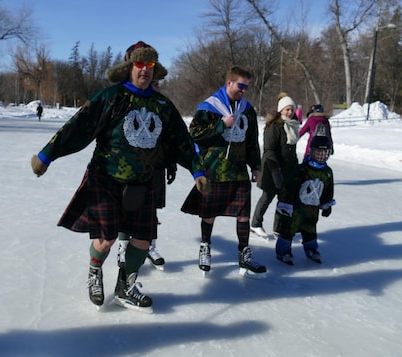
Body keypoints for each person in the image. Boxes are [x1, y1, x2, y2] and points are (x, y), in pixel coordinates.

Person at [30, 41, 208, 313]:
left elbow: (181, 140)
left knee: (142, 239)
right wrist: (46, 155)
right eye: (139, 64)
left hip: (144, 182)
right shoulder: (111, 97)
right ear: (129, 67)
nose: (144, 70)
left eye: (149, 66)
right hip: (106, 178)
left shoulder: (162, 104)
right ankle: (94, 272)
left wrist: (196, 169)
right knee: (106, 238)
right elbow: (77, 127)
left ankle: (126, 286)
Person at [180, 66, 267, 279]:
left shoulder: (247, 109)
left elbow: (252, 141)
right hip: (214, 169)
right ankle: (205, 247)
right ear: (229, 83)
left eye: (247, 87)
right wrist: (220, 125)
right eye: (241, 86)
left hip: (238, 171)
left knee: (243, 215)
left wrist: (256, 166)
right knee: (209, 213)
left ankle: (244, 254)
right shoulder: (209, 107)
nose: (244, 90)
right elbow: (194, 135)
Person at [117, 79, 173, 271]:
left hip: (156, 167)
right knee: (129, 206)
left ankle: (151, 247)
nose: (155, 88)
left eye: (157, 84)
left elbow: (168, 139)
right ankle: (123, 246)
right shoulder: (129, 104)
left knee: (152, 208)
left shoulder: (161, 107)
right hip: (133, 167)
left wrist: (171, 163)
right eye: (152, 84)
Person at [274, 134, 335, 265]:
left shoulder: (327, 172)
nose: (321, 156)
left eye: (324, 153)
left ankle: (311, 250)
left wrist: (326, 205)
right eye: (318, 152)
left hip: (312, 209)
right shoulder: (302, 169)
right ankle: (283, 251)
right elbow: (289, 187)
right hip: (296, 208)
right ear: (312, 152)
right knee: (289, 229)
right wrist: (286, 203)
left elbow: (328, 190)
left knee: (310, 229)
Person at [250, 92, 300, 240]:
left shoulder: (292, 125)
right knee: (267, 196)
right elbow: (269, 150)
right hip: (272, 168)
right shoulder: (274, 126)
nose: (290, 112)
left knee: (284, 199)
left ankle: (278, 229)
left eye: (292, 109)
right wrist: (276, 172)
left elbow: (292, 151)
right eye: (287, 109)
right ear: (281, 110)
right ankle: (255, 224)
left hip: (287, 169)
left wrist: (296, 168)